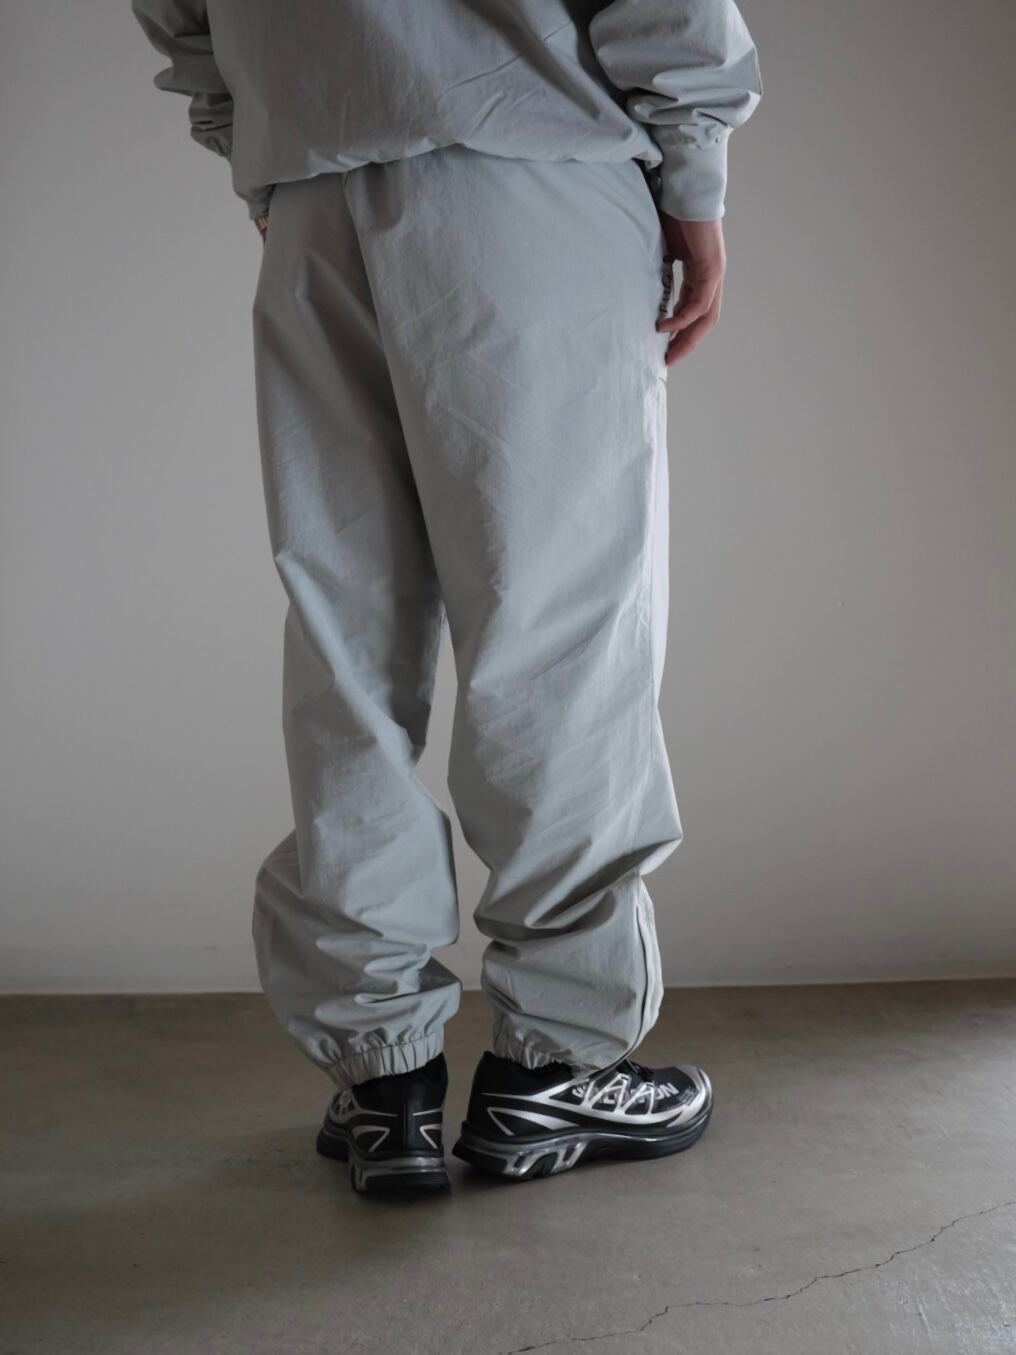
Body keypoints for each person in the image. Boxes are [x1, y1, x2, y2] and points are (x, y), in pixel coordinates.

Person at [133, 0, 762, 1196]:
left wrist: (255, 133)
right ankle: (553, 1064)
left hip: (313, 187)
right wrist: (692, 174)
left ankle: (384, 1078)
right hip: (524, 157)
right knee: (556, 630)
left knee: (347, 634)